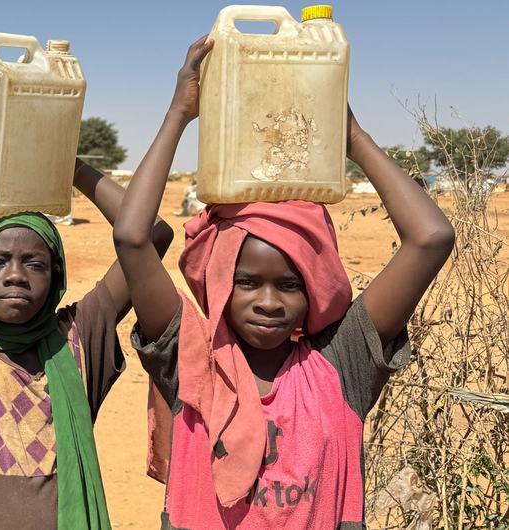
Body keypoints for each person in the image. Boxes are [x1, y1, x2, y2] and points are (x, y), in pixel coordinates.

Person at [113, 36, 456, 528]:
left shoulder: (340, 367)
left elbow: (431, 238)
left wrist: (352, 136)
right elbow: (131, 238)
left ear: (313, 290)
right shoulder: (191, 362)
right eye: (247, 282)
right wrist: (178, 115)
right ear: (219, 284)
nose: (268, 302)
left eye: (289, 285)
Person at [0, 38, 174, 529]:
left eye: (35, 263)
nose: (15, 274)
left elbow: (152, 235)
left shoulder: (80, 335)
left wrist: (64, 163)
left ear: (56, 277)